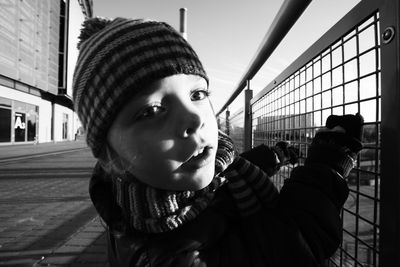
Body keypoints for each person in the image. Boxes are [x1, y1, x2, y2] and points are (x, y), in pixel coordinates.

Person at [72, 17, 364, 267]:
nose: (194, 119)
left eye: (197, 95)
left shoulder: (144, 199)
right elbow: (296, 242)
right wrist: (329, 162)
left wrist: (275, 155)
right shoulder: (173, 256)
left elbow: (226, 169)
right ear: (111, 155)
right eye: (151, 110)